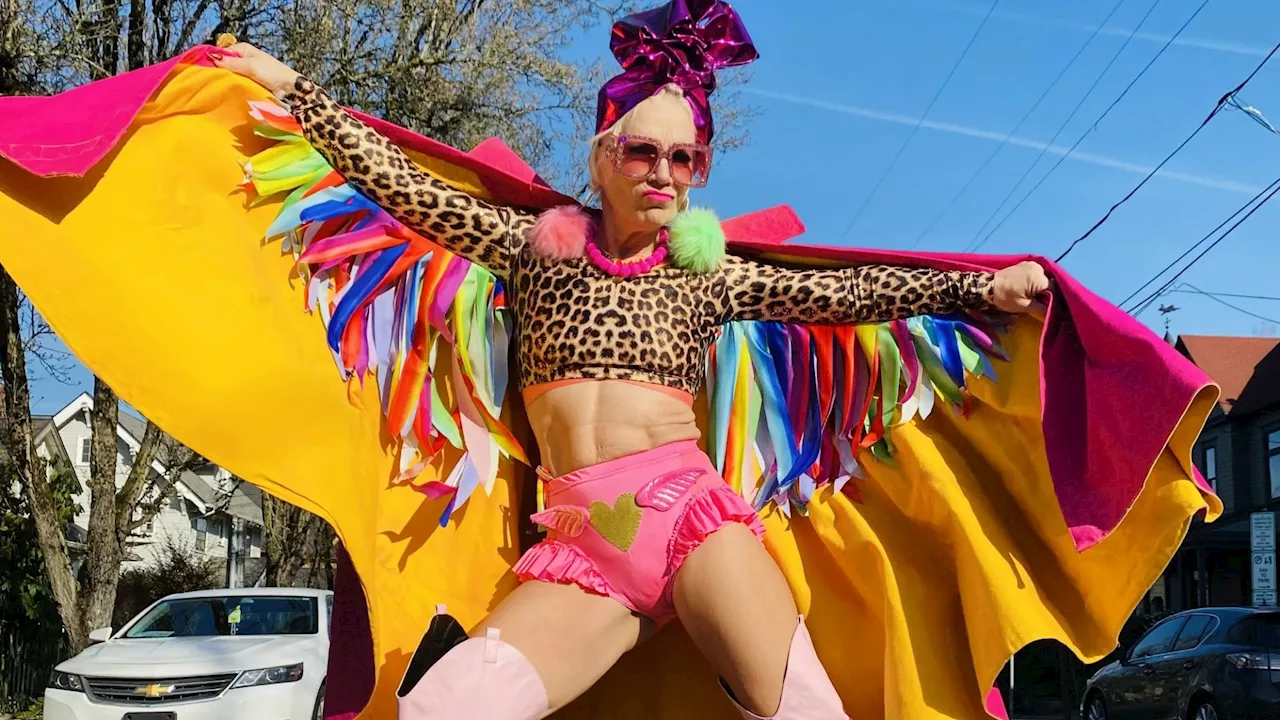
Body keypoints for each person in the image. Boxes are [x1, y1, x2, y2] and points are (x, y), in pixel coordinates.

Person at [210, 2, 1050, 717]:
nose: (665, 173)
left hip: (692, 519)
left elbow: (854, 294)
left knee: (805, 712)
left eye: (685, 159)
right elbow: (402, 187)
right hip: (586, 538)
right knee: (444, 706)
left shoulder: (707, 276)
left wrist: (983, 289)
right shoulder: (532, 251)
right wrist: (298, 94)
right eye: (645, 152)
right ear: (603, 156)